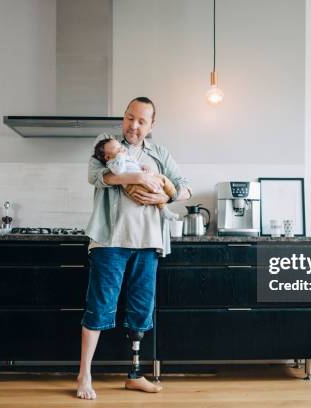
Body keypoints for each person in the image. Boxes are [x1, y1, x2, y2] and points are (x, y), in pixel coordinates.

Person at [76, 97, 191, 400]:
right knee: (100, 306)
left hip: (148, 243)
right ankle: (84, 374)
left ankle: (135, 374)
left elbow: (184, 187)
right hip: (110, 240)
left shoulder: (159, 153)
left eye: (141, 121)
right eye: (129, 118)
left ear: (151, 125)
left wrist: (165, 198)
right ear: (123, 117)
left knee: (141, 310)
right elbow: (95, 176)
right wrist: (137, 176)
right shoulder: (107, 144)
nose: (133, 125)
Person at [93, 137, 177, 210]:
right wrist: (120, 157)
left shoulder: (128, 157)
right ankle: (163, 208)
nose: (121, 148)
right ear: (108, 157)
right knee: (150, 194)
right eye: (117, 149)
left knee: (162, 179)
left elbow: (136, 163)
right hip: (133, 186)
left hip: (144, 176)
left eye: (120, 146)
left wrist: (143, 166)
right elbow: (118, 171)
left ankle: (172, 194)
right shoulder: (112, 163)